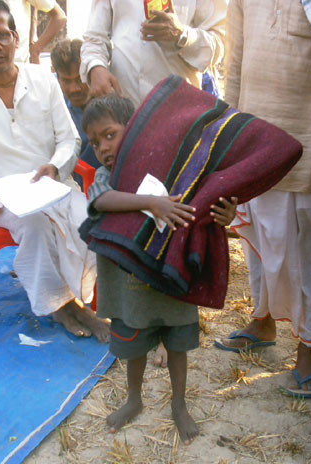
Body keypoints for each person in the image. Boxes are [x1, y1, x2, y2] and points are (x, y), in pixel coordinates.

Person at [79, 94, 237, 443]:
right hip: (129, 291)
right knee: (134, 349)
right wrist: (151, 202)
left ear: (136, 130)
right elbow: (99, 200)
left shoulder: (171, 171)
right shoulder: (107, 177)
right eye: (94, 141)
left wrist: (226, 215)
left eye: (110, 134)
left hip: (170, 285)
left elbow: (204, 207)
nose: (103, 147)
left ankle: (179, 404)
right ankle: (134, 399)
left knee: (177, 346)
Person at [214, 0, 311, 398]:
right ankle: (261, 322)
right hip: (254, 142)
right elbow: (235, 61)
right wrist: (227, 132)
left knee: (307, 257)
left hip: (307, 145)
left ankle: (308, 352)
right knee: (258, 241)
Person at [0, 0, 109, 342]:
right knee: (35, 223)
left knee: (91, 219)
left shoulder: (42, 80)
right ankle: (64, 307)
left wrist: (55, 166)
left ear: (17, 38)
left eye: (3, 36)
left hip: (52, 185)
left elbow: (69, 139)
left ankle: (81, 298)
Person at [80, 0, 227, 107]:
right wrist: (96, 67)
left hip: (178, 116)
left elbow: (218, 46)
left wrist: (183, 35)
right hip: (124, 113)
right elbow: (95, 37)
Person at [51, 38, 100, 187]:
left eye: (79, 79)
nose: (74, 88)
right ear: (57, 77)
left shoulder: (106, 100)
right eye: (66, 81)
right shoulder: (50, 99)